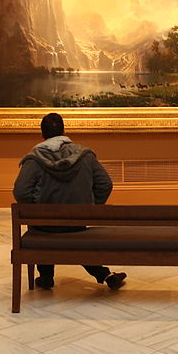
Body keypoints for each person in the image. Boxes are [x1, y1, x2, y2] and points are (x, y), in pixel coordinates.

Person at [13, 112, 127, 291]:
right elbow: (105, 184)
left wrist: (36, 210)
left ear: (42, 134)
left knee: (41, 228)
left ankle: (46, 276)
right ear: (64, 131)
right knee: (75, 239)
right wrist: (91, 206)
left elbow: (21, 191)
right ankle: (104, 275)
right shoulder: (85, 155)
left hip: (44, 226)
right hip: (76, 223)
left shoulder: (34, 160)